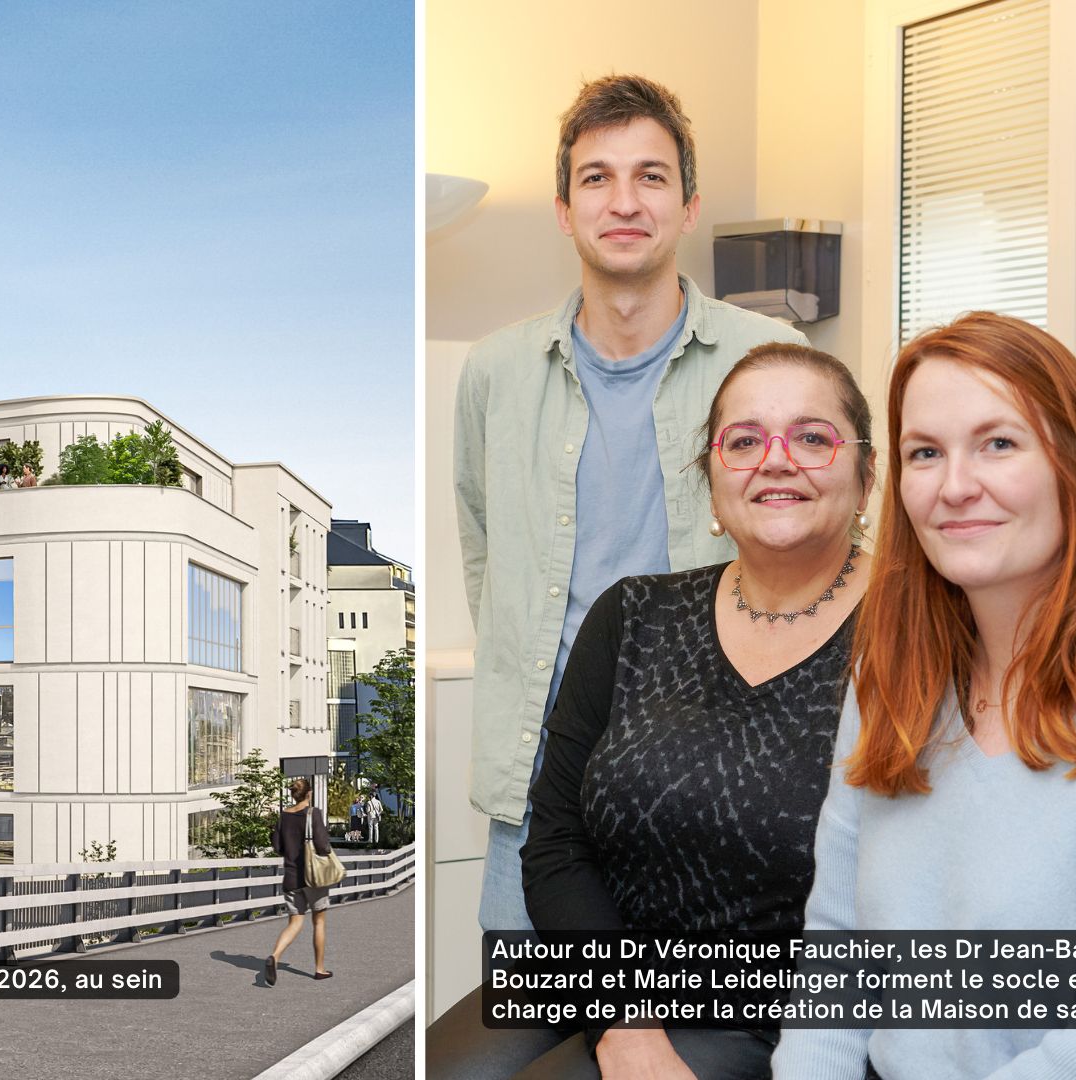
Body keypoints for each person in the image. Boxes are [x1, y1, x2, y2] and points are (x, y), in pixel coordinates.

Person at [436, 71, 805, 1061]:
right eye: (597, 178)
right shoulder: (495, 372)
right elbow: (488, 558)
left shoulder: (769, 358)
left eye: (651, 176)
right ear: (565, 211)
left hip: (705, 813)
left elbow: (821, 565)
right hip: (540, 818)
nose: (625, 200)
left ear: (688, 203)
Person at [772, 314, 1076, 1079]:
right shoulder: (891, 681)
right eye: (925, 453)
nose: (955, 486)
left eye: (998, 443)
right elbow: (839, 957)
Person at [497, 346, 873, 1080]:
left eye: (812, 437)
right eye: (743, 441)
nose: (776, 460)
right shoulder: (633, 615)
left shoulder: (918, 638)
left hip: (788, 1018)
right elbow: (555, 842)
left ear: (865, 477)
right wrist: (626, 1022)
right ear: (711, 481)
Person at [267, 777, 336, 986]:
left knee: (295, 922)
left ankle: (275, 956)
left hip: (290, 877)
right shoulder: (313, 814)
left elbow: (278, 847)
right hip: (313, 877)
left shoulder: (283, 816)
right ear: (309, 793)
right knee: (319, 921)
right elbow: (323, 845)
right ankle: (319, 969)